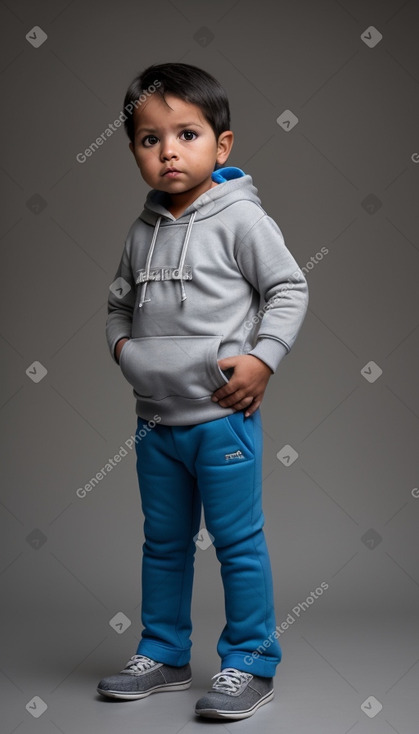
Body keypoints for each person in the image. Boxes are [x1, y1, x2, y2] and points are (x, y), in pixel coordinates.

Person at [97, 62, 308, 720]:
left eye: (186, 134)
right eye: (148, 139)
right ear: (133, 149)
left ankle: (250, 662)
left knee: (238, 544)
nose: (168, 152)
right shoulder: (140, 233)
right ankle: (163, 654)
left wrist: (262, 361)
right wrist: (127, 352)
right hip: (155, 424)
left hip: (221, 419)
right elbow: (116, 310)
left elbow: (289, 289)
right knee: (162, 544)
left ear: (221, 145)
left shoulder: (243, 220)